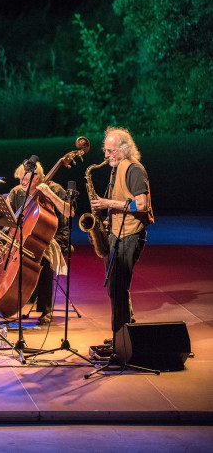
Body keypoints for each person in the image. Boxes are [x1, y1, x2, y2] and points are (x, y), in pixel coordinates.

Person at [90, 126, 153, 336]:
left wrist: (108, 203)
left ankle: (121, 338)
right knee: (115, 288)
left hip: (130, 235)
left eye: (110, 151)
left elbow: (141, 205)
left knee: (118, 287)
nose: (106, 155)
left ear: (124, 149)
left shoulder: (135, 170)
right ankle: (127, 333)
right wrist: (107, 221)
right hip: (116, 233)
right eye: (105, 151)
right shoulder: (116, 169)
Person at [5, 161, 71, 325]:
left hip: (54, 237)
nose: (22, 182)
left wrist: (50, 194)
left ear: (37, 179)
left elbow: (69, 212)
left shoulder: (54, 189)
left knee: (42, 258)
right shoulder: (16, 192)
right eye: (20, 178)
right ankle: (4, 298)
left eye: (25, 179)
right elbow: (6, 218)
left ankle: (45, 310)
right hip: (25, 237)